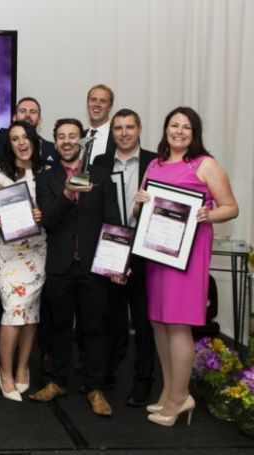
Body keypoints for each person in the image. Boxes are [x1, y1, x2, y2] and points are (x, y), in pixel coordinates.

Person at [134, 107, 237, 426]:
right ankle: (169, 391)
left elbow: (230, 207)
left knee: (178, 325)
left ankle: (181, 398)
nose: (178, 131)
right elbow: (140, 212)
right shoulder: (155, 163)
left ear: (195, 133)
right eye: (174, 125)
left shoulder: (205, 164)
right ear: (165, 129)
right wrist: (139, 204)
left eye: (186, 127)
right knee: (159, 322)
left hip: (188, 256)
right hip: (158, 253)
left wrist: (207, 214)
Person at [30, 118, 120, 417]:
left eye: (72, 135)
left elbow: (112, 221)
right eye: (61, 136)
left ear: (81, 140)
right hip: (60, 265)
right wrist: (68, 194)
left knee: (94, 328)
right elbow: (49, 220)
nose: (67, 141)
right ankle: (58, 382)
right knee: (60, 327)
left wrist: (117, 263)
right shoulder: (46, 178)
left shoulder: (101, 175)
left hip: (94, 265)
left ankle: (95, 388)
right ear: (55, 142)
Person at [92, 109, 157, 406]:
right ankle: (107, 373)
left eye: (130, 127)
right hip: (112, 246)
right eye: (118, 128)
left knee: (143, 321)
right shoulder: (100, 162)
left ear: (139, 129)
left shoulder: (154, 162)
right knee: (110, 317)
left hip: (143, 251)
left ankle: (143, 381)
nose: (124, 133)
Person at [0, 120, 47, 402]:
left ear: (33, 139)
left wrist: (43, 213)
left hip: (38, 249)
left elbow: (55, 209)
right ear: (8, 145)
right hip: (8, 252)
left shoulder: (48, 171)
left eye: (25, 137)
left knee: (31, 312)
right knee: (14, 309)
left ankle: (23, 366)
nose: (21, 143)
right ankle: (4, 371)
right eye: (14, 139)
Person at [0, 97, 58, 163]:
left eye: (33, 112)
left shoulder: (51, 148)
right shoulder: (1, 137)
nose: (27, 115)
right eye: (22, 111)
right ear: (14, 118)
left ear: (39, 120)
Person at [84, 84, 116, 162]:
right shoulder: (79, 136)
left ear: (110, 107)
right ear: (87, 103)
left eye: (103, 101)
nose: (97, 104)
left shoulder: (119, 137)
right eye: (93, 100)